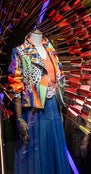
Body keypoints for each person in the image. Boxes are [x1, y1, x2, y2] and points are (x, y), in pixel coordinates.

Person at [7, 29, 71, 174]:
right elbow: (16, 86)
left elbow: (59, 78)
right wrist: (18, 118)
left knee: (55, 149)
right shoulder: (20, 51)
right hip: (33, 111)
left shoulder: (51, 49)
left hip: (53, 107)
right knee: (37, 153)